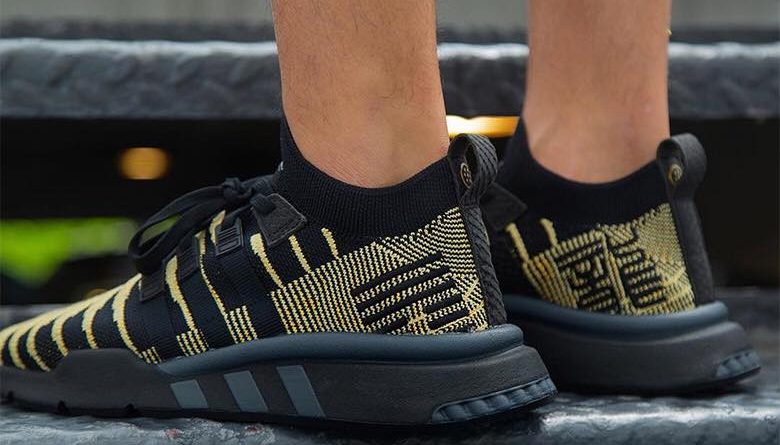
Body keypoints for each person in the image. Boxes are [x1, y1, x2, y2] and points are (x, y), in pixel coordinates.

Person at [0, 0, 758, 426]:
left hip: (362, 258)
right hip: (636, 232)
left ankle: (364, 207)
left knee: (365, 176)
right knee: (597, 158)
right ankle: (604, 196)